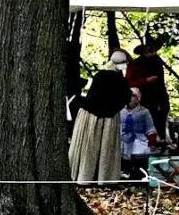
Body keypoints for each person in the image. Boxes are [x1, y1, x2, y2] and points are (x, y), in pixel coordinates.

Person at [69, 49, 131, 184]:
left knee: (90, 146)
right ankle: (102, 178)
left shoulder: (102, 76)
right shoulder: (119, 80)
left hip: (92, 115)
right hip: (102, 117)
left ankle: (85, 178)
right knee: (101, 148)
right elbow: (125, 98)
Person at [126, 42, 170, 139]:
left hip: (160, 98)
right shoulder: (135, 64)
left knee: (160, 124)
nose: (152, 50)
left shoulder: (157, 62)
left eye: (153, 48)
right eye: (149, 48)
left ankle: (161, 143)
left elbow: (160, 82)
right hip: (143, 99)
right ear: (143, 50)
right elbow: (129, 82)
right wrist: (145, 80)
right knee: (147, 126)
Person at [120, 87, 158, 179]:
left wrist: (152, 141)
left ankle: (138, 176)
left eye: (133, 95)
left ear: (138, 99)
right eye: (128, 94)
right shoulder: (120, 111)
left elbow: (150, 128)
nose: (130, 97)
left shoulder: (144, 112)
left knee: (140, 156)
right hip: (122, 139)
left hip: (138, 139)